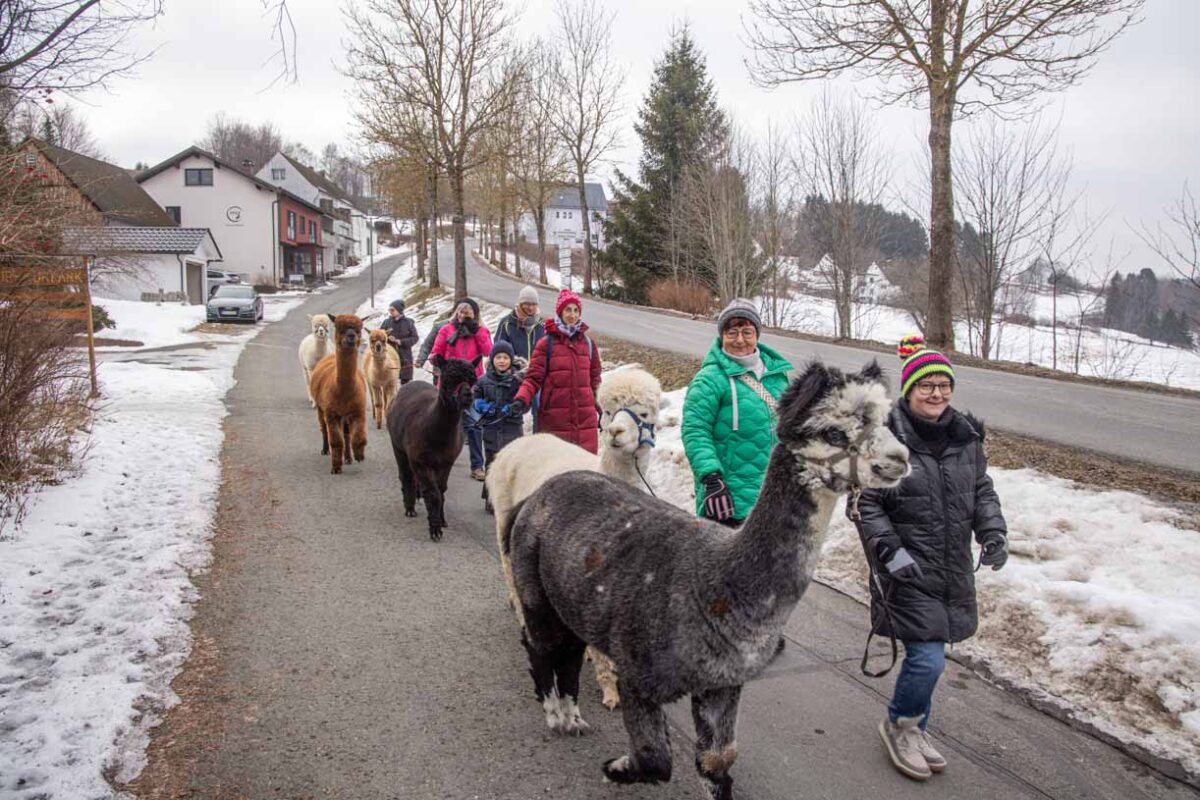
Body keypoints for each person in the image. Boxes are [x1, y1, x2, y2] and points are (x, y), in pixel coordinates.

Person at [852, 334, 1008, 782]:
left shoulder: (966, 437)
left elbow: (981, 491)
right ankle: (899, 726)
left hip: (952, 569)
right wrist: (888, 550)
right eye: (926, 385)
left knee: (933, 651)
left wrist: (993, 532)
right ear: (910, 388)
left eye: (944, 385)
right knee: (928, 659)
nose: (936, 393)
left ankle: (916, 728)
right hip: (906, 569)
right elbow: (866, 503)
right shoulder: (885, 437)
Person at [681, 298, 793, 527]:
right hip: (727, 499)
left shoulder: (777, 376)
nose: (739, 340)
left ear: (757, 335)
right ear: (722, 336)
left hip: (772, 496)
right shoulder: (709, 379)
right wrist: (711, 478)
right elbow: (695, 431)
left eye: (747, 332)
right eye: (732, 332)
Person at [509, 288, 601, 453]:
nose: (572, 315)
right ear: (560, 312)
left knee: (585, 471)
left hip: (585, 421)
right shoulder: (547, 343)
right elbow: (533, 378)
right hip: (555, 419)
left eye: (576, 310)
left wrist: (601, 405)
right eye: (568, 310)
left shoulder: (588, 344)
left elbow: (595, 381)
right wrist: (521, 399)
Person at [430, 298, 492, 479]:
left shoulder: (481, 330)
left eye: (468, 313)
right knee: (442, 422)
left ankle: (477, 465)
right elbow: (436, 352)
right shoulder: (446, 329)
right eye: (461, 312)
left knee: (473, 423)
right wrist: (438, 361)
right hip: (450, 383)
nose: (464, 316)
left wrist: (477, 331)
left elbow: (489, 351)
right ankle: (436, 457)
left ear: (475, 315)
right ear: (456, 313)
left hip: (471, 383)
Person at [472, 340, 524, 513]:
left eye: (505, 357)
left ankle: (508, 498)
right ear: (493, 359)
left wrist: (515, 408)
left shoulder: (518, 380)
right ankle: (490, 497)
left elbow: (526, 401)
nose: (502, 361)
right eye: (498, 357)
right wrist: (481, 406)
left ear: (511, 360)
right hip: (491, 429)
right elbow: (476, 397)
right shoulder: (483, 380)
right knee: (492, 463)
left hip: (512, 428)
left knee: (510, 464)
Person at [494, 285, 545, 430]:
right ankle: (511, 442)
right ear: (520, 304)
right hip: (513, 375)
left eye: (533, 304)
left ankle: (537, 444)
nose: (530, 308)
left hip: (536, 375)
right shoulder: (506, 323)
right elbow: (498, 349)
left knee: (540, 412)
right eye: (527, 304)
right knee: (513, 412)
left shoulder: (542, 325)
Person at [379, 299, 419, 384]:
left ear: (399, 310)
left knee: (405, 382)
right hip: (389, 355)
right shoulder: (386, 322)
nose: (390, 312)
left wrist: (401, 341)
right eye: (389, 310)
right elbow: (379, 335)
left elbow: (415, 338)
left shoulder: (408, 323)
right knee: (389, 381)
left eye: (392, 310)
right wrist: (388, 337)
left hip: (405, 356)